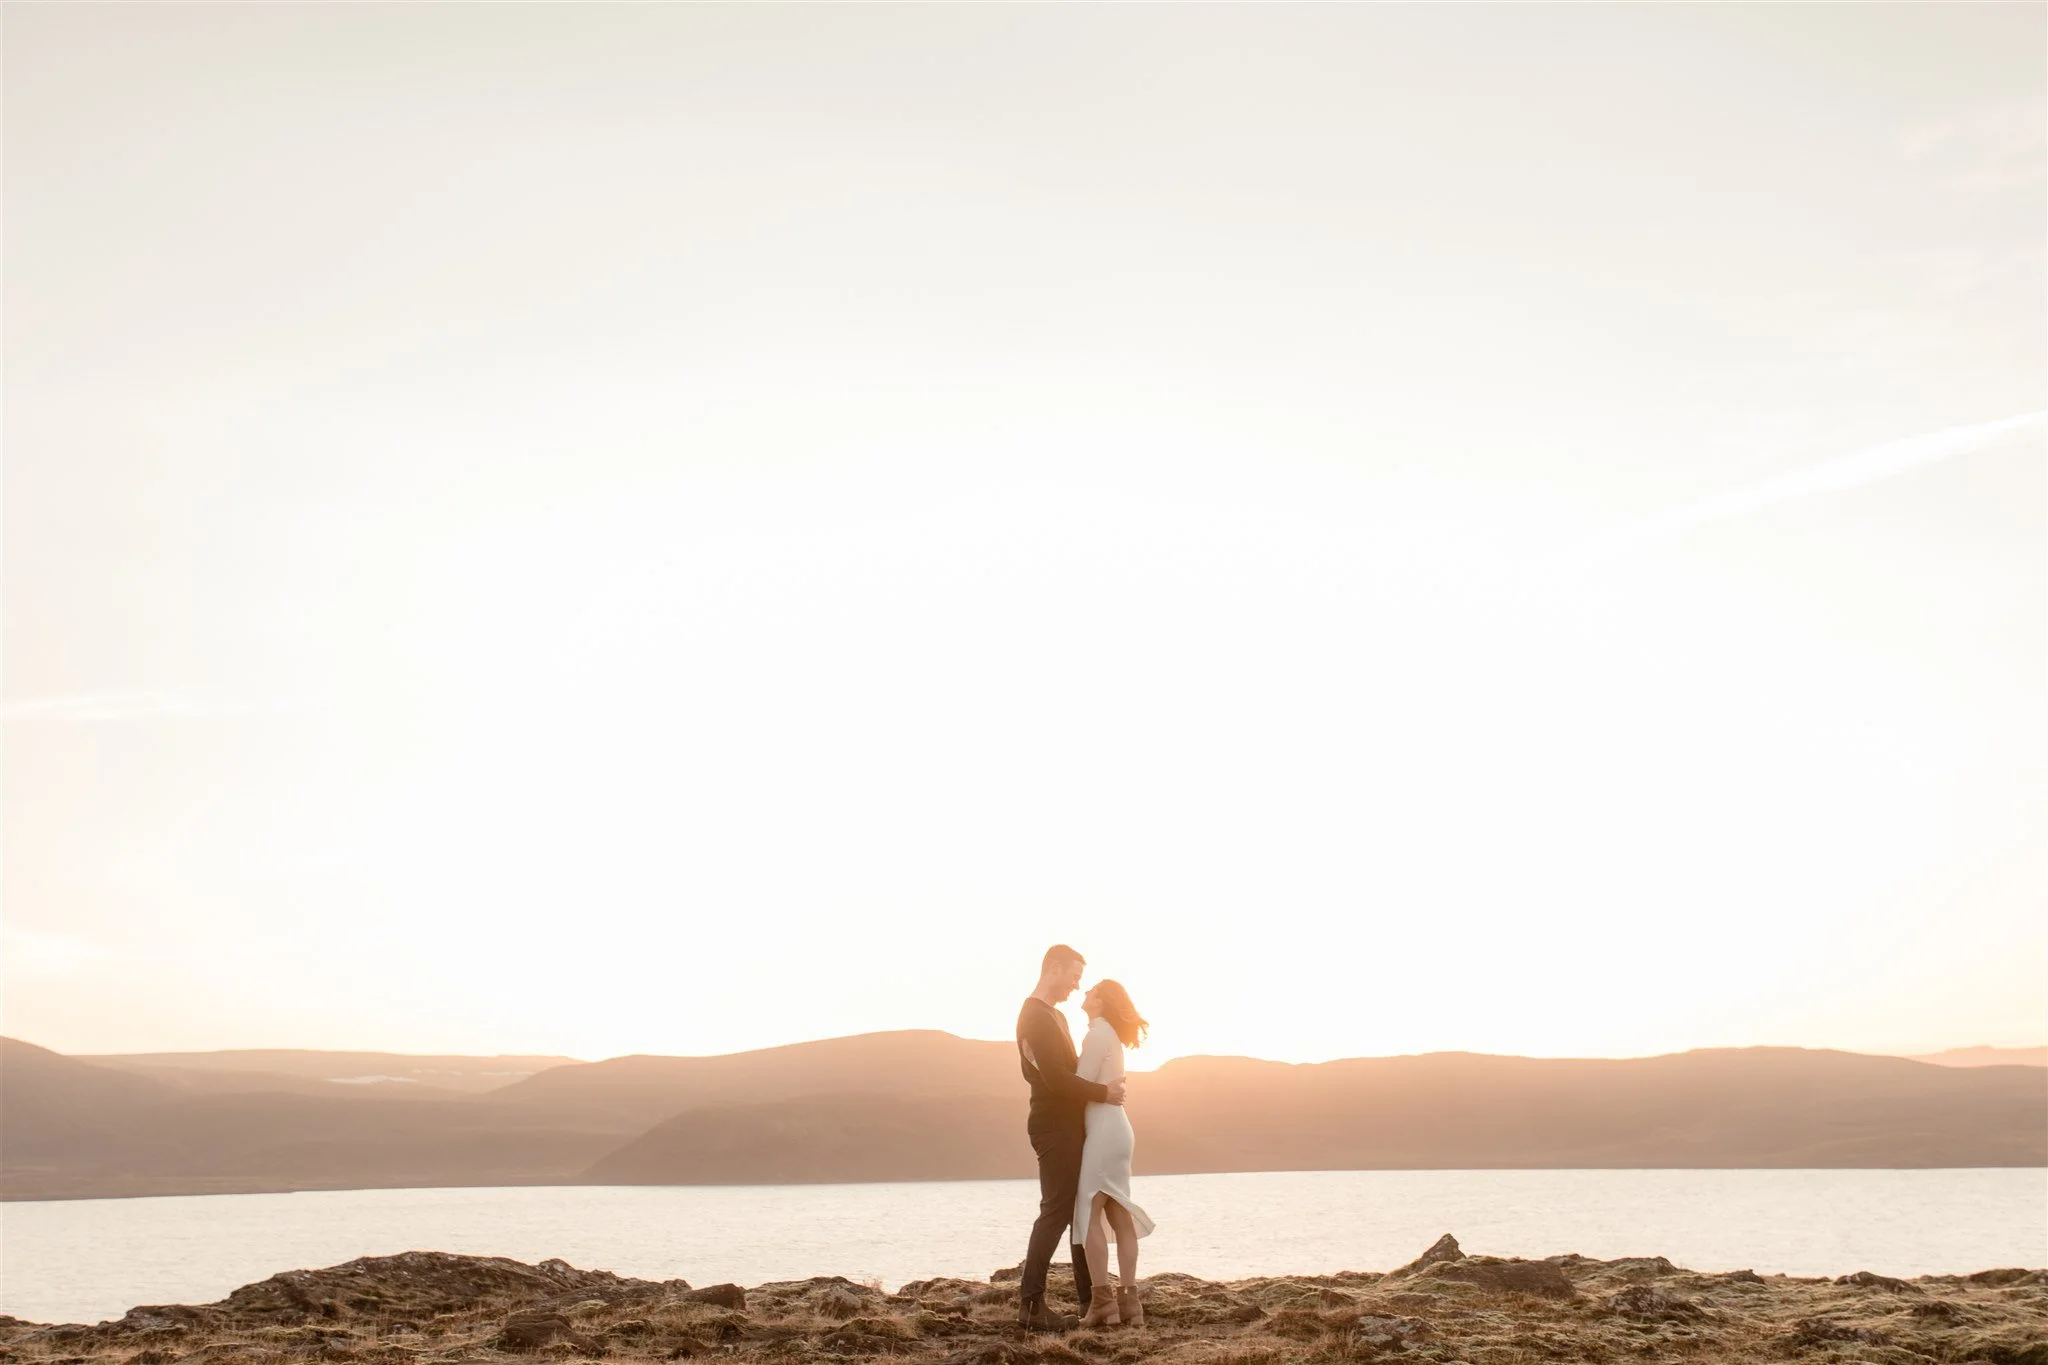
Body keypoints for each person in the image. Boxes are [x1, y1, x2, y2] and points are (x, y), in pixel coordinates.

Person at [1014, 944, 1126, 1332]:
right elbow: (1056, 1079)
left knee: (1081, 1210)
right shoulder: (1035, 1016)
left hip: (1069, 1125)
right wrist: (1104, 1093)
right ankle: (1031, 1306)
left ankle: (1091, 1299)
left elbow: (1069, 1071)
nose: (1077, 986)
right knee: (1057, 1211)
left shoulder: (1055, 1016)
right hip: (1053, 1127)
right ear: (1054, 969)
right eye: (1074, 976)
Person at [1073, 979, 1156, 1327]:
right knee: (1119, 1214)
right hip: (1118, 1129)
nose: (1084, 993)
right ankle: (1130, 1303)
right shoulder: (1110, 1036)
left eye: (1091, 991)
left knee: (1089, 1209)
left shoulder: (1097, 1035)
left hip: (1104, 1130)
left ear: (1100, 1002)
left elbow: (1078, 1085)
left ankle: (1103, 1302)